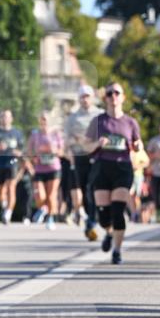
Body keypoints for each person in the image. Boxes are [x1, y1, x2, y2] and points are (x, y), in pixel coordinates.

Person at [84, 82, 143, 264]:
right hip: (102, 168)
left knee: (118, 212)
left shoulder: (131, 122)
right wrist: (97, 144)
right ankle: (109, 233)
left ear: (123, 97)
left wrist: (138, 146)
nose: (113, 96)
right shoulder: (98, 121)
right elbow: (86, 146)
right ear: (105, 98)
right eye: (110, 93)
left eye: (117, 93)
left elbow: (138, 144)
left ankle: (117, 251)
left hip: (123, 168)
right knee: (103, 216)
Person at [64, 85, 101, 240]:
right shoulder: (73, 118)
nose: (85, 99)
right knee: (86, 189)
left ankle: (97, 218)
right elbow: (67, 139)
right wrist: (77, 140)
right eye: (83, 97)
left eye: (88, 96)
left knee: (96, 188)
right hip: (80, 156)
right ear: (79, 99)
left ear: (92, 98)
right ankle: (90, 221)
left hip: (98, 155)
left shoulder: (100, 114)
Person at [26, 112, 64, 230]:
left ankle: (50, 218)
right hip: (40, 169)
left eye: (46, 119)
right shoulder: (35, 134)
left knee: (51, 195)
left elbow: (62, 152)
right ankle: (43, 208)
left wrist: (54, 150)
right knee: (40, 196)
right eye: (42, 119)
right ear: (39, 121)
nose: (44, 122)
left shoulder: (56, 134)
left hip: (54, 168)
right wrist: (36, 155)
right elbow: (29, 151)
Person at [0, 109, 24, 224]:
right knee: (1, 191)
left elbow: (22, 150)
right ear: (0, 119)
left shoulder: (17, 133)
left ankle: (8, 213)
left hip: (12, 163)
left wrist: (17, 152)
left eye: (7, 116)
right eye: (3, 116)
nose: (5, 119)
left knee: (11, 187)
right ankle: (5, 205)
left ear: (11, 119)